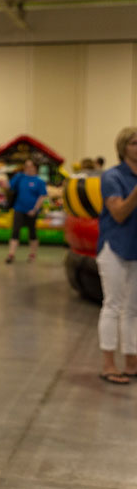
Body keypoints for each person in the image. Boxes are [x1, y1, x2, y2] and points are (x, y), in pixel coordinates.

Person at [95, 127, 137, 385]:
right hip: (115, 247)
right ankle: (109, 363)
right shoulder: (112, 176)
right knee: (113, 305)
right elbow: (119, 213)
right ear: (123, 147)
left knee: (133, 309)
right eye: (134, 143)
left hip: (135, 248)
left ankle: (132, 361)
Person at [4, 159, 47, 264]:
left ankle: (32, 254)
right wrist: (1, 181)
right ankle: (11, 254)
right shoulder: (20, 177)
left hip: (32, 210)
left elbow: (42, 196)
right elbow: (9, 186)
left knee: (32, 233)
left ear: (35, 167)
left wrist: (35, 209)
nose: (27, 168)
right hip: (19, 208)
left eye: (30, 166)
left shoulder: (39, 181)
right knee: (15, 231)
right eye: (26, 166)